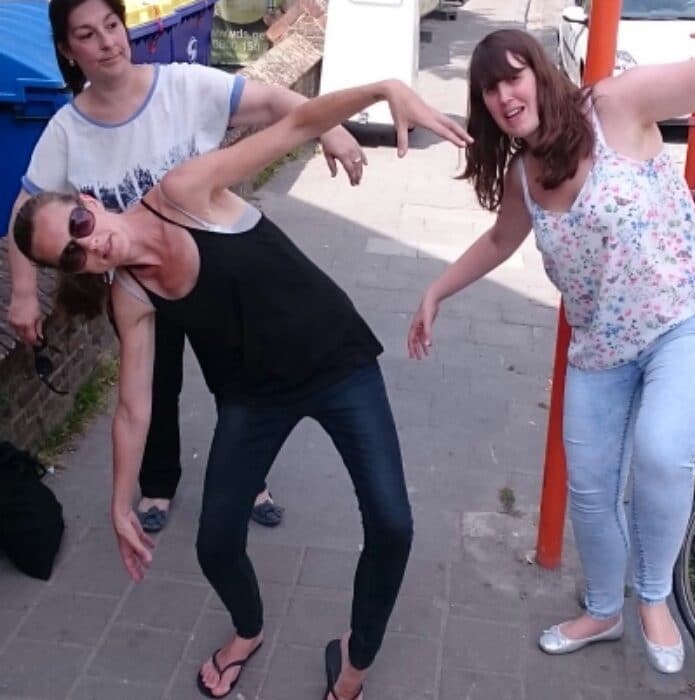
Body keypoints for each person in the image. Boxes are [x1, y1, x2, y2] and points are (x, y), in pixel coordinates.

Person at [13, 78, 471, 698]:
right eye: (71, 256)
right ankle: (249, 629)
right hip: (256, 397)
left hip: (337, 362)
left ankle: (355, 660)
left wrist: (382, 90)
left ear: (90, 199)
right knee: (216, 542)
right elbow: (132, 410)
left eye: (79, 223)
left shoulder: (182, 192)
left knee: (393, 524)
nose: (89, 244)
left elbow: (296, 124)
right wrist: (120, 504)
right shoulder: (131, 294)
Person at [407, 0, 695, 675]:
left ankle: (653, 597)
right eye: (489, 89)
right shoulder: (523, 176)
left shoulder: (613, 107)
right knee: (591, 488)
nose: (504, 96)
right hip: (604, 347)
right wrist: (435, 292)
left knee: (661, 452)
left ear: (539, 74)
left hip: (693, 317)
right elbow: (498, 241)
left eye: (513, 77)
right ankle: (604, 609)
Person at [6, 0, 370, 533]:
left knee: (236, 378)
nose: (106, 42)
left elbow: (271, 100)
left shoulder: (181, 86)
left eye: (111, 25)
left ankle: (250, 476)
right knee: (155, 388)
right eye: (86, 34)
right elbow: (26, 207)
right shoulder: (67, 130)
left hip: (213, 276)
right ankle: (158, 484)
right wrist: (21, 293)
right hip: (139, 287)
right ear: (67, 49)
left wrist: (328, 127)